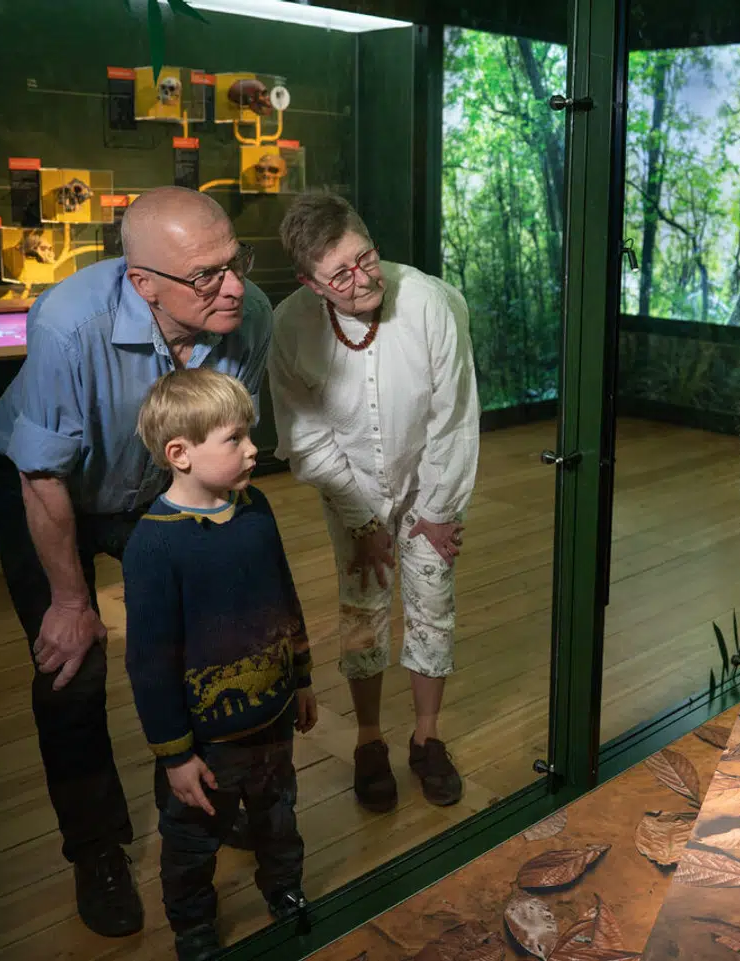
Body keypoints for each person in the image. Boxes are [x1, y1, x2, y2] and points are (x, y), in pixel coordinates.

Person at [0, 186, 271, 938]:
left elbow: (223, 450)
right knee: (71, 672)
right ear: (143, 283)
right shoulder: (69, 321)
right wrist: (73, 602)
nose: (233, 285)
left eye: (234, 263)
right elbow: (41, 475)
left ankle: (202, 797)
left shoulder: (251, 315)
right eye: (207, 275)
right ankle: (98, 850)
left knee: (203, 646)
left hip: (158, 487)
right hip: (50, 488)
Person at [268, 190, 479, 812]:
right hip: (348, 485)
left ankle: (427, 737)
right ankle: (367, 739)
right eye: (341, 274)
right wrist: (361, 521)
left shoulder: (432, 302)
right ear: (312, 285)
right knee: (362, 605)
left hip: (428, 477)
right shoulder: (290, 327)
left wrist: (439, 508)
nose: (363, 279)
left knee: (433, 599)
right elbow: (304, 434)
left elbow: (454, 414)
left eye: (367, 258)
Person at [124, 368, 316, 961]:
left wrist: (301, 679)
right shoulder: (153, 547)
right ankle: (194, 928)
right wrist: (175, 755)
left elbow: (285, 596)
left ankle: (284, 890)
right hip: (205, 743)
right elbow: (149, 663)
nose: (254, 448)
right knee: (192, 841)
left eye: (249, 434)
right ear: (179, 453)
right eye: (234, 439)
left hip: (273, 717)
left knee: (278, 817)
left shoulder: (256, 508)